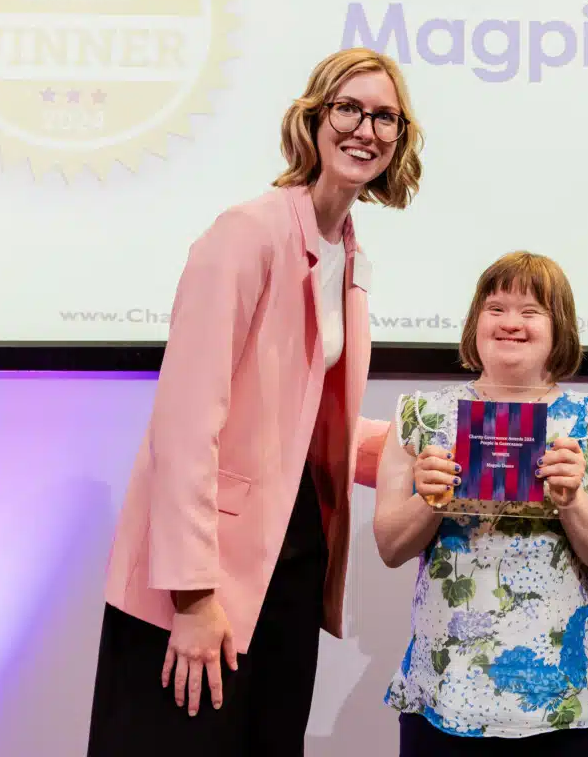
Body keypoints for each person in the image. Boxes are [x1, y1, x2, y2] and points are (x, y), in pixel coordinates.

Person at [86, 47, 424, 756]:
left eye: (386, 116)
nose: (367, 128)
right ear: (314, 118)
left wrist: (422, 447)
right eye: (349, 108)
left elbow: (302, 421)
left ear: (400, 138)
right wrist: (192, 595)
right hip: (207, 573)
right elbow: (185, 423)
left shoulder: (349, 254)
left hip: (289, 560)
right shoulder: (249, 232)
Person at [373, 252, 588, 757]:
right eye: (496, 308)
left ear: (558, 328)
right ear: (476, 322)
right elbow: (389, 546)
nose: (511, 323)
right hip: (442, 692)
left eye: (531, 310)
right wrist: (431, 500)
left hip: (560, 705)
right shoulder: (421, 416)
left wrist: (573, 500)